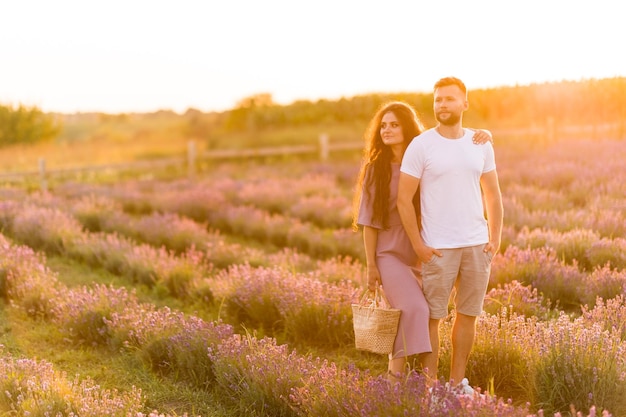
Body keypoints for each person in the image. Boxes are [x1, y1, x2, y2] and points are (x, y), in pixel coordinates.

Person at [352, 100, 493, 380]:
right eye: (383, 126)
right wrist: (371, 265)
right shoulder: (375, 169)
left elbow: (454, 146)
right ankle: (395, 378)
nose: (387, 130)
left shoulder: (425, 156)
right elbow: (368, 222)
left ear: (407, 127)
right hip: (389, 253)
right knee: (415, 308)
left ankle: (410, 378)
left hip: (422, 249)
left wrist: (485, 135)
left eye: (394, 125)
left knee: (416, 312)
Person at [397, 77, 504, 395]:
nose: (442, 105)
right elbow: (403, 199)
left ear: (465, 104)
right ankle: (430, 389)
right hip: (438, 249)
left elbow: (494, 195)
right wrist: (419, 245)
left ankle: (457, 385)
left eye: (449, 99)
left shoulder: (480, 142)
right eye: (438, 100)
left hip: (476, 244)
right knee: (434, 318)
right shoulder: (422, 145)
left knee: (468, 316)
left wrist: (494, 238)